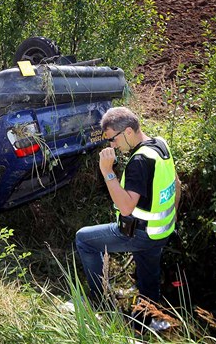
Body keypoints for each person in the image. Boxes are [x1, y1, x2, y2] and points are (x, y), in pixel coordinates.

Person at [75, 106, 181, 316]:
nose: (112, 145)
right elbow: (177, 184)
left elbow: (125, 207)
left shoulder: (140, 161)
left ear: (129, 132)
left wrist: (107, 171)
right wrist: (173, 214)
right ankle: (149, 318)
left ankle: (99, 302)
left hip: (140, 233)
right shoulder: (160, 145)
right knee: (148, 274)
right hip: (162, 231)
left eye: (113, 139)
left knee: (84, 240)